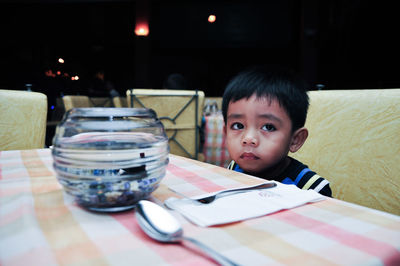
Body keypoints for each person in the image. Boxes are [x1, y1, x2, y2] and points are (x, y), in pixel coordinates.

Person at [221, 66, 332, 197]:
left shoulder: (311, 188)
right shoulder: (235, 169)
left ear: (295, 139)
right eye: (238, 125)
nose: (248, 139)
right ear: (226, 132)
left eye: (268, 127)